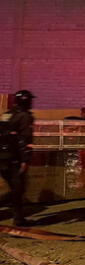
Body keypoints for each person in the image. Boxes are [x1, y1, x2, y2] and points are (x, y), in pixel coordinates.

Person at [0, 90, 35, 226]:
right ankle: (19, 219)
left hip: (2, 157)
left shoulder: (7, 115)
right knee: (18, 189)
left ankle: (18, 217)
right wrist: (25, 160)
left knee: (15, 188)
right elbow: (25, 140)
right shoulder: (25, 116)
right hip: (14, 158)